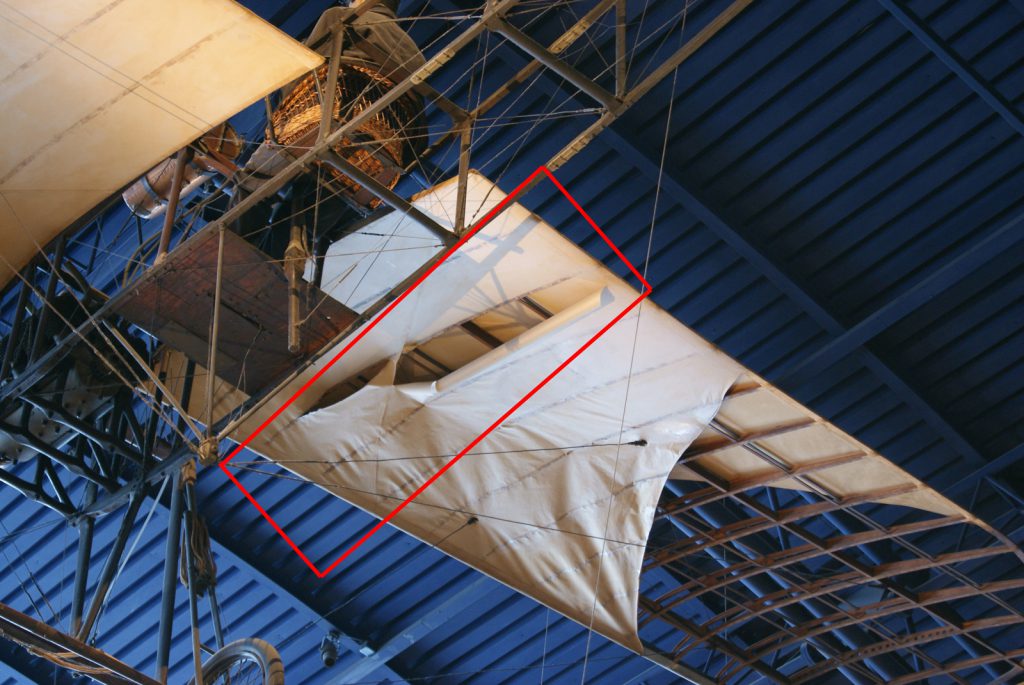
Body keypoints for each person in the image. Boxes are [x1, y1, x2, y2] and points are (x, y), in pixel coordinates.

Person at [230, 0, 427, 262]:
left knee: (252, 184)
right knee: (306, 220)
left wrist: (281, 115)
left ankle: (226, 254)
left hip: (320, 120)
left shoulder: (339, 15)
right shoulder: (417, 54)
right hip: (376, 158)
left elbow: (307, 69)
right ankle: (269, 271)